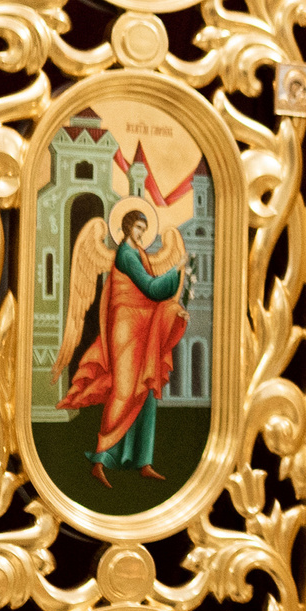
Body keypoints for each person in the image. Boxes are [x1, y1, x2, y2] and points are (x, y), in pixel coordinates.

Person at [57, 204, 186, 488]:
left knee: (147, 390)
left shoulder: (139, 253)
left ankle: (143, 461)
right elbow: (150, 288)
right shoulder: (126, 255)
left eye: (144, 229)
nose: (141, 234)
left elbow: (152, 297)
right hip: (126, 327)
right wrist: (176, 273)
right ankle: (101, 458)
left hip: (143, 325)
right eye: (137, 229)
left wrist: (172, 309)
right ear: (127, 229)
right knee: (125, 389)